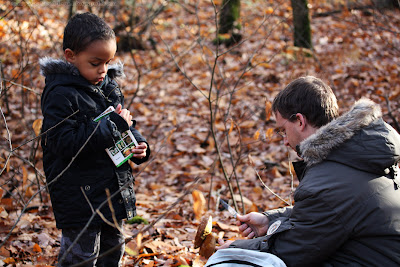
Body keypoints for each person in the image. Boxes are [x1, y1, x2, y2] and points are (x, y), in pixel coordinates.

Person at [211, 76, 400, 266]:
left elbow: (289, 252)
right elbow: (328, 215)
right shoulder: (359, 154)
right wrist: (271, 220)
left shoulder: (328, 180)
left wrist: (237, 248)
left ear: (300, 121)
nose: (284, 140)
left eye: (283, 130)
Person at [39, 12, 150, 266]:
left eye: (108, 61)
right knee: (81, 255)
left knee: (113, 250)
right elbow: (63, 142)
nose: (103, 69)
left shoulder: (108, 85)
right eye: (95, 62)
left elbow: (124, 123)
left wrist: (140, 145)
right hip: (80, 195)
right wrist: (113, 127)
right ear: (71, 56)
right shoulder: (61, 94)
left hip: (113, 189)